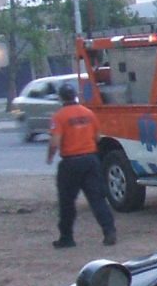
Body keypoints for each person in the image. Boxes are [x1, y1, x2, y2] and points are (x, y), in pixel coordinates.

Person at [46, 82, 116, 249]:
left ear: (61, 97)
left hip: (70, 162)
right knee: (97, 199)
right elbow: (98, 138)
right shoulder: (88, 113)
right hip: (90, 160)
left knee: (67, 202)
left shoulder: (59, 117)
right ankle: (109, 231)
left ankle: (67, 238)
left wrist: (50, 157)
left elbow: (55, 141)